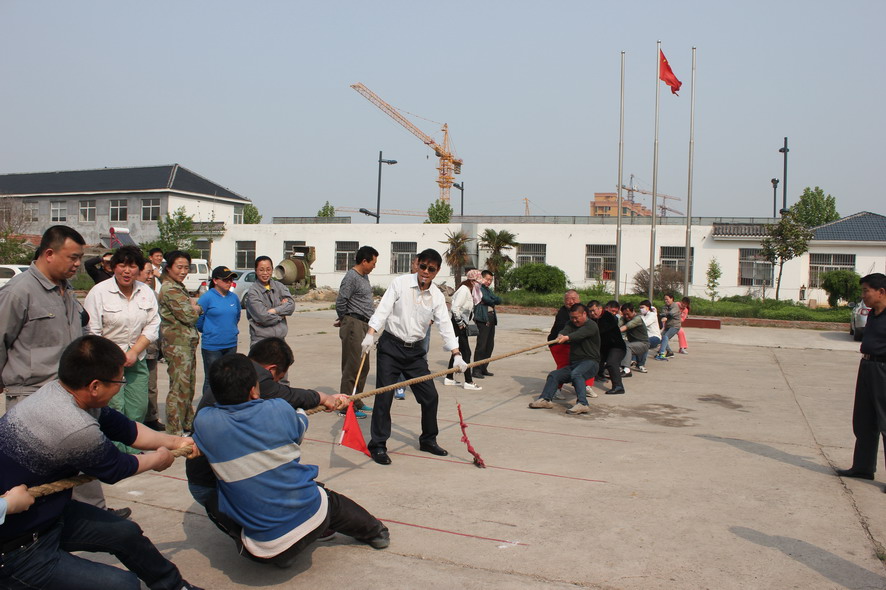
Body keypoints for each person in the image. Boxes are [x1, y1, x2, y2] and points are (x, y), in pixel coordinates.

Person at [0, 335, 202, 590]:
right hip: (18, 547)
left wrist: (175, 442)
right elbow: (116, 468)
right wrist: (158, 459)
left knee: (125, 533)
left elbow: (126, 429)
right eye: (119, 381)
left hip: (48, 514)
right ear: (95, 386)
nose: (121, 386)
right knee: (123, 585)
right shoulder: (73, 425)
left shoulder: (62, 392)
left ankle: (173, 586)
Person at [192, 354, 389, 568]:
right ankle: (376, 531)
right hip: (315, 519)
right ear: (254, 391)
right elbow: (299, 428)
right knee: (328, 500)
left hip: (265, 551)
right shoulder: (278, 408)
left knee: (214, 499)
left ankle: (281, 555)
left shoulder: (205, 421)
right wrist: (318, 404)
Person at [187, 337, 348, 514]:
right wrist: (323, 397)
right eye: (278, 379)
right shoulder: (253, 379)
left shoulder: (234, 373)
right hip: (214, 487)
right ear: (271, 370)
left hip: (208, 480)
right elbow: (289, 396)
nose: (276, 384)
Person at [361, 248, 466, 465]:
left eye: (431, 269)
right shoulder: (400, 283)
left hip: (415, 353)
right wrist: (371, 333)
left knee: (430, 396)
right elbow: (383, 309)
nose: (425, 271)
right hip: (391, 348)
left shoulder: (436, 296)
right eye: (423, 266)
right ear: (417, 264)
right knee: (384, 397)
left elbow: (445, 325)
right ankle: (378, 445)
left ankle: (428, 439)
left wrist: (456, 353)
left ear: (437, 271)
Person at [0, 225, 87, 410]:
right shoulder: (18, 292)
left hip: (69, 392)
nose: (78, 264)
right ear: (49, 254)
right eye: (73, 258)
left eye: (80, 258)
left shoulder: (67, 290)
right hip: (31, 396)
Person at [84, 246, 160, 443]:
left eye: (132, 266)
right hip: (107, 363)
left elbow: (153, 325)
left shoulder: (146, 292)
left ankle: (133, 450)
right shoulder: (99, 292)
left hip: (136, 358)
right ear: (113, 267)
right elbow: (92, 330)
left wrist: (134, 351)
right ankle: (114, 452)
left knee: (138, 407)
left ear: (139, 269)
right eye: (122, 265)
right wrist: (112, 357)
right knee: (114, 408)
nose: (127, 271)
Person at [835, 273, 886, 491]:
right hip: (867, 366)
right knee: (864, 419)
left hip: (883, 369)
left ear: (881, 292)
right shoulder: (873, 314)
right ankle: (863, 467)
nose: (863, 295)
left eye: (866, 291)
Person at [158, 250, 202, 435]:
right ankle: (174, 430)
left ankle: (186, 422)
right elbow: (189, 315)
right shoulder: (170, 289)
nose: (183, 271)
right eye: (179, 267)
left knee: (188, 385)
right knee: (179, 387)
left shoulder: (178, 287)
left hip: (185, 343)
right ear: (169, 268)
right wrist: (197, 308)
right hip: (177, 345)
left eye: (186, 267)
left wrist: (193, 306)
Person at [529, 303, 600, 414]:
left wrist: (567, 337)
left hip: (590, 363)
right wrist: (560, 336)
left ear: (584, 314)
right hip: (575, 363)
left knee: (577, 374)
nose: (574, 320)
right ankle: (546, 400)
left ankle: (583, 404)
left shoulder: (591, 325)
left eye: (577, 317)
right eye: (572, 317)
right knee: (554, 375)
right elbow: (565, 330)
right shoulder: (570, 323)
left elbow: (579, 334)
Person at [334, 245, 378, 417]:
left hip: (365, 325)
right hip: (354, 324)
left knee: (363, 366)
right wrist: (345, 320)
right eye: (373, 263)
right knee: (352, 366)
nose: (374, 266)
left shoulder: (364, 277)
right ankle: (345, 406)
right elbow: (341, 301)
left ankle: (356, 399)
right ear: (364, 261)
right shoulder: (351, 277)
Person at [196, 266, 242, 398]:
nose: (229, 282)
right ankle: (209, 404)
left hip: (230, 344)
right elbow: (199, 320)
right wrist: (210, 330)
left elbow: (236, 316)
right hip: (212, 346)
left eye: (231, 280)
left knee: (229, 377)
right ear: (215, 280)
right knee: (212, 378)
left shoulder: (233, 298)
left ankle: (226, 403)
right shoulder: (207, 298)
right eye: (225, 280)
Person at [547, 290, 595, 398]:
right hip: (559, 343)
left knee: (589, 361)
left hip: (576, 342)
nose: (571, 301)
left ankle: (585, 386)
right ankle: (555, 389)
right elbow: (564, 329)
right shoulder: (563, 313)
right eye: (568, 299)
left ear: (579, 299)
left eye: (573, 299)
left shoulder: (583, 310)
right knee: (564, 365)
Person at [243, 256, 294, 350]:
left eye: (268, 269)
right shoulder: (253, 292)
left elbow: (291, 305)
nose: (265, 273)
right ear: (256, 271)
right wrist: (282, 314)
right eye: (261, 270)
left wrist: (274, 310)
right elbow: (263, 317)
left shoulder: (279, 286)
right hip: (261, 342)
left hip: (280, 341)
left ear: (272, 270)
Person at [444, 269, 482, 390]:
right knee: (466, 352)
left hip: (462, 323)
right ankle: (468, 381)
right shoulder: (464, 290)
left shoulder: (470, 291)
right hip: (458, 324)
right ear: (472, 281)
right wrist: (460, 323)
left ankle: (449, 377)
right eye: (478, 282)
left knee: (458, 350)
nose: (479, 285)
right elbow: (455, 308)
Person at [138, 260, 165, 431]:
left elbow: (158, 323)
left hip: (151, 349)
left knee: (151, 386)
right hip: (133, 350)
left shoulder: (153, 295)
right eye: (147, 272)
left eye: (151, 273)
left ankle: (151, 417)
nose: (150, 276)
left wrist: (161, 346)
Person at [589, 300, 627, 395]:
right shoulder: (591, 319)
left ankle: (618, 387)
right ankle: (598, 375)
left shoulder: (608, 317)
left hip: (616, 347)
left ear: (600, 308)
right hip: (603, 348)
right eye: (590, 311)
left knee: (611, 363)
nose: (592, 313)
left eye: (594, 310)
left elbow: (600, 330)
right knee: (590, 360)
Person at [473, 270, 501, 379]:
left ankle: (483, 368)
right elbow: (486, 299)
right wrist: (491, 300)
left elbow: (498, 300)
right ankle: (476, 370)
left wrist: (491, 300)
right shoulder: (479, 288)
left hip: (491, 318)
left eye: (491, 280)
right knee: (482, 345)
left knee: (489, 345)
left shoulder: (488, 289)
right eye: (487, 279)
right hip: (483, 319)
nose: (489, 282)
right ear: (482, 278)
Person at [620, 302, 650, 374]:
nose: (626, 316)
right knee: (620, 344)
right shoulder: (623, 318)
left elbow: (626, 327)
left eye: (628, 314)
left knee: (627, 347)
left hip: (643, 344)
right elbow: (618, 326)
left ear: (633, 311)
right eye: (624, 314)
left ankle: (627, 370)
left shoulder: (637, 319)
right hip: (633, 343)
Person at [655, 294, 682, 361]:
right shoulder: (665, 307)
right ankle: (670, 352)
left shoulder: (675, 306)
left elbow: (670, 314)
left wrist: (664, 316)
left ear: (672, 299)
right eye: (665, 299)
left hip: (675, 326)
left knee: (665, 337)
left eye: (667, 299)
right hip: (668, 326)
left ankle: (661, 354)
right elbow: (663, 314)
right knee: (660, 337)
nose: (666, 301)